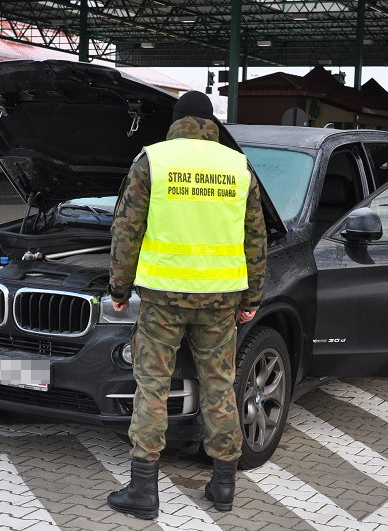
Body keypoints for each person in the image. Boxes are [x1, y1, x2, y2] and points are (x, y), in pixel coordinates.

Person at [106, 91, 267, 519]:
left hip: (162, 298)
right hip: (220, 300)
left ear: (176, 122)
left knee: (153, 387)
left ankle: (144, 492)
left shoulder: (153, 161)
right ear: (211, 124)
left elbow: (126, 231)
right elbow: (256, 238)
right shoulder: (238, 166)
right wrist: (252, 298)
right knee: (220, 386)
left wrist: (119, 291)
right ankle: (223, 487)